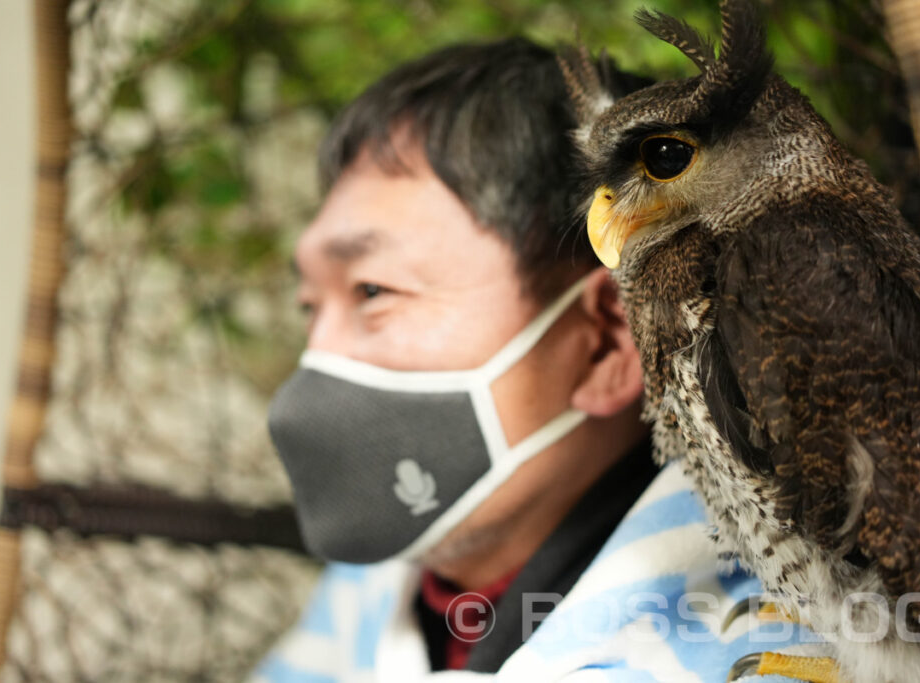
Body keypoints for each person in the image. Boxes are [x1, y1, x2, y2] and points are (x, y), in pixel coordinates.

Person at [251, 38, 821, 682]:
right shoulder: (364, 604)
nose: (315, 362)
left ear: (609, 339)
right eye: (309, 306)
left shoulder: (775, 649)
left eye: (373, 291)